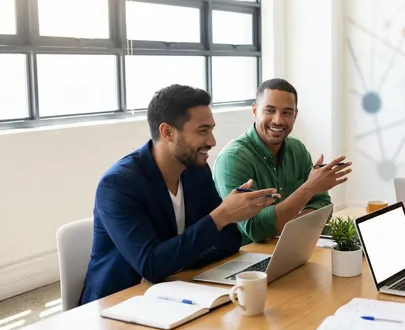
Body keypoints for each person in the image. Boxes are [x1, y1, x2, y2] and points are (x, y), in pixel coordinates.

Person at [80, 85, 278, 305]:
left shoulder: (196, 171)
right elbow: (151, 265)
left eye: (211, 130)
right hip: (119, 302)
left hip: (177, 291)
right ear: (167, 132)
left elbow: (229, 240)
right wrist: (220, 216)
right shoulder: (118, 185)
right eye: (202, 131)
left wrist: (176, 259)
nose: (212, 141)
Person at [213, 78, 351, 244]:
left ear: (295, 115)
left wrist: (288, 226)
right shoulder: (233, 159)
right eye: (270, 111)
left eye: (286, 112)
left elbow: (323, 204)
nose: (278, 120)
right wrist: (309, 188)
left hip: (287, 245)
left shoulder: (297, 149)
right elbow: (256, 230)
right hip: (245, 257)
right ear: (255, 110)